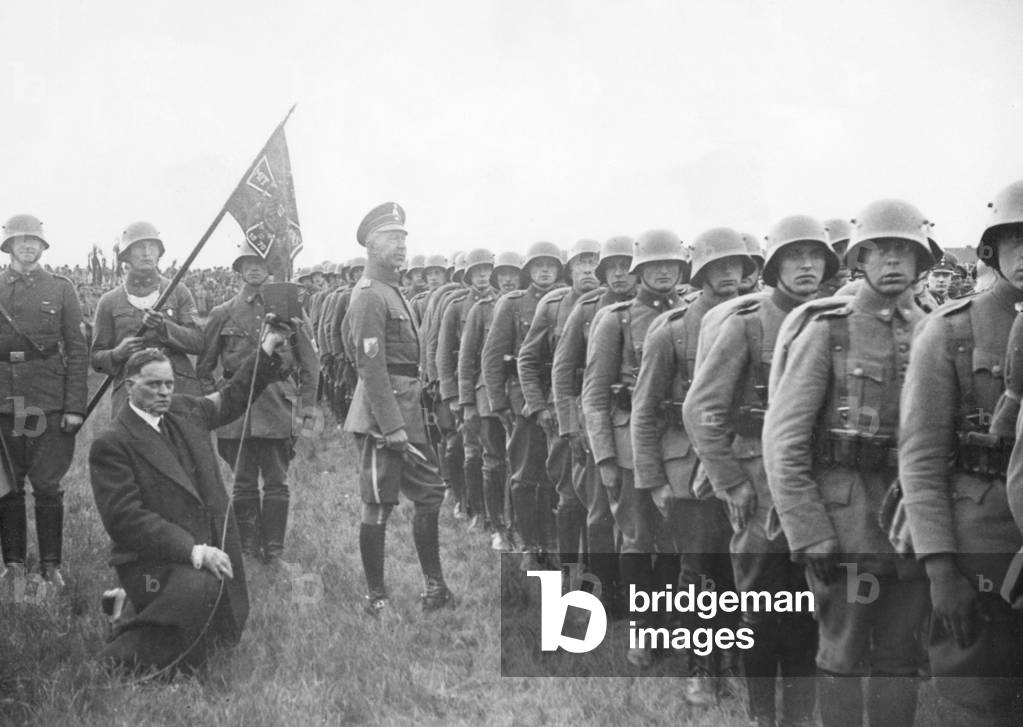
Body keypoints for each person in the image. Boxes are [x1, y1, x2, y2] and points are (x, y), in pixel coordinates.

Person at [763, 199, 934, 727]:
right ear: (859, 258)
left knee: (901, 658)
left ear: (920, 260)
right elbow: (784, 439)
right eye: (879, 250)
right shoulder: (827, 329)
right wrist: (809, 530)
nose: (891, 262)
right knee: (843, 650)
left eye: (903, 250)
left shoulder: (934, 328)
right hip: (846, 527)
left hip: (911, 527)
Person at [684, 216, 838, 725]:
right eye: (794, 257)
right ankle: (761, 716)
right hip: (759, 489)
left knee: (813, 607)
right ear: (772, 267)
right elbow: (701, 411)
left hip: (821, 485)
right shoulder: (747, 322)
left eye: (815, 256)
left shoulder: (835, 318)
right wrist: (730, 482)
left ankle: (796, 715)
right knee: (761, 607)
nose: (807, 266)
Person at [90, 322, 290, 674]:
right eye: (153, 384)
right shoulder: (112, 443)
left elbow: (230, 398)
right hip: (151, 561)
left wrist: (266, 349)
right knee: (196, 604)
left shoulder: (185, 410)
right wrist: (193, 552)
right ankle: (124, 647)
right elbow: (126, 521)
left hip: (209, 545)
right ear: (128, 384)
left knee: (223, 635)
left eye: (169, 383)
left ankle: (130, 608)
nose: (164, 392)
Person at [905, 180, 1023, 724]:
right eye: (1015, 240)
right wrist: (940, 571)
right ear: (990, 251)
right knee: (981, 702)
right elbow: (923, 463)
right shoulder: (951, 331)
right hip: (984, 540)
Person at [631, 226, 754, 697]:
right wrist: (654, 480)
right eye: (719, 266)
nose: (729, 274)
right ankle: (702, 668)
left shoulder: (754, 318)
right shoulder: (673, 330)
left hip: (742, 461)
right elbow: (644, 411)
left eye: (737, 265)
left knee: (743, 567)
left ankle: (738, 653)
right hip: (685, 467)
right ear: (700, 272)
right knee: (700, 569)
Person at [341, 202, 454, 615]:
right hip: (380, 417)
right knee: (378, 502)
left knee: (430, 492)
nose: (401, 245)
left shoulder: (392, 291)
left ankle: (435, 587)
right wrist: (390, 426)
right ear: (371, 245)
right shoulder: (369, 295)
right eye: (392, 238)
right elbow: (370, 367)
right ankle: (376, 596)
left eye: (404, 238)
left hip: (406, 410)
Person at [580, 229, 686, 668]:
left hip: (678, 443)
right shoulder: (616, 319)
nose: (664, 271)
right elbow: (593, 394)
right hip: (627, 445)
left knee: (675, 540)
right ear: (640, 270)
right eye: (655, 265)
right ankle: (644, 634)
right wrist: (604, 456)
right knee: (637, 540)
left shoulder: (689, 313)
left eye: (672, 264)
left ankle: (667, 625)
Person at [196, 240, 316, 568]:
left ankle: (274, 551)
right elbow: (203, 368)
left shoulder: (291, 311)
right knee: (244, 482)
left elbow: (310, 363)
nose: (254, 268)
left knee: (277, 482)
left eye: (261, 262)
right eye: (247, 262)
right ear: (238, 269)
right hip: (238, 411)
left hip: (277, 404)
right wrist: (218, 404)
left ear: (271, 269)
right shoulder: (223, 313)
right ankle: (248, 550)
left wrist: (306, 408)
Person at [0, 214, 88, 589]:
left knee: (48, 484)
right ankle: (15, 566)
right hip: (4, 401)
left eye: (34, 240)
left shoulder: (61, 288)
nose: (28, 246)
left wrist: (74, 406)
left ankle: (51, 567)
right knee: (8, 484)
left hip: (47, 402)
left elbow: (78, 350)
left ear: (43, 246)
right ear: (9, 246)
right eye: (21, 240)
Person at [550, 235, 637, 611]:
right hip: (594, 425)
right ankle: (606, 591)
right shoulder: (586, 310)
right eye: (612, 268)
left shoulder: (652, 310)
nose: (619, 274)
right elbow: (563, 371)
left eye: (626, 266)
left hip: (639, 425)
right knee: (599, 513)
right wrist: (571, 427)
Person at [518, 239, 602, 571]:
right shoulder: (554, 306)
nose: (588, 270)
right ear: (570, 270)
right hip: (564, 407)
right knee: (569, 491)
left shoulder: (614, 304)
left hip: (605, 410)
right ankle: (571, 570)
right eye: (581, 263)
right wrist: (539, 407)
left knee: (604, 496)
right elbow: (527, 358)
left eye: (595, 263)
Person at [481, 241, 565, 566]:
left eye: (551, 265)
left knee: (554, 475)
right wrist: (499, 404)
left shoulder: (564, 300)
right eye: (538, 265)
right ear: (529, 270)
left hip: (558, 396)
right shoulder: (513, 304)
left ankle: (550, 540)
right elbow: (492, 356)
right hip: (523, 399)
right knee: (525, 474)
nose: (545, 271)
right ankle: (529, 543)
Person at [91, 221, 203, 417]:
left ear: (160, 253)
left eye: (152, 247)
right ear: (126, 255)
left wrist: (164, 328)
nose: (146, 252)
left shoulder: (178, 291)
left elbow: (198, 342)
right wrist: (117, 353)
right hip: (131, 392)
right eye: (139, 247)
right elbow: (96, 359)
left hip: (177, 390)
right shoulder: (109, 301)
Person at [457, 251, 524, 551]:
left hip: (520, 394)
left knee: (521, 464)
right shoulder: (482, 310)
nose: (508, 279)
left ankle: (519, 524)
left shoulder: (528, 306)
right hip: (486, 393)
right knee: (494, 460)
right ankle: (496, 525)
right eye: (503, 274)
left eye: (514, 273)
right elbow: (467, 358)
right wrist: (467, 402)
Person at [437, 248, 496, 531]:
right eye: (478, 271)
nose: (483, 276)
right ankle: (470, 505)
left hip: (494, 389)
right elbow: (444, 354)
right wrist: (453, 395)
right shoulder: (456, 306)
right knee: (470, 450)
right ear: (468, 275)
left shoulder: (502, 302)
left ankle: (495, 511)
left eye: (487, 270)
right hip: (469, 388)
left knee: (494, 454)